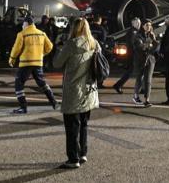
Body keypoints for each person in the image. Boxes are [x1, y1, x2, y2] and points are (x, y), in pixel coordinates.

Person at [53, 18, 100, 169]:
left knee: (72, 126)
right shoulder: (94, 43)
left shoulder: (71, 44)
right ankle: (83, 153)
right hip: (89, 89)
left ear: (74, 28)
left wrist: (60, 49)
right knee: (84, 124)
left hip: (74, 90)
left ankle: (73, 159)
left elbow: (56, 63)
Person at [8, 16, 57, 114]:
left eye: (23, 24)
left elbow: (16, 49)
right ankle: (53, 101)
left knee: (19, 83)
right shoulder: (42, 34)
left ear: (26, 24)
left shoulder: (22, 34)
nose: (22, 25)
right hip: (38, 63)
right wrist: (42, 54)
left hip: (25, 63)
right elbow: (50, 46)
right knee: (42, 83)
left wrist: (12, 60)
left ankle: (23, 107)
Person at [112, 18, 142, 95]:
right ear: (133, 24)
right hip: (133, 55)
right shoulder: (133, 32)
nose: (139, 24)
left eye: (139, 23)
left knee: (131, 71)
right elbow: (131, 45)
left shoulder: (133, 31)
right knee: (131, 72)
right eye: (137, 23)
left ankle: (118, 85)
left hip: (132, 54)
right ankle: (118, 85)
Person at [135, 19, 157, 107]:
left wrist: (154, 40)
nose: (149, 27)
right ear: (143, 26)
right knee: (140, 78)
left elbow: (155, 48)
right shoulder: (138, 35)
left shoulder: (152, 35)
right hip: (140, 59)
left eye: (150, 25)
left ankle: (147, 99)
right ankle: (136, 95)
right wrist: (149, 43)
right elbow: (141, 47)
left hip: (150, 59)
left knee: (148, 80)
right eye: (147, 25)